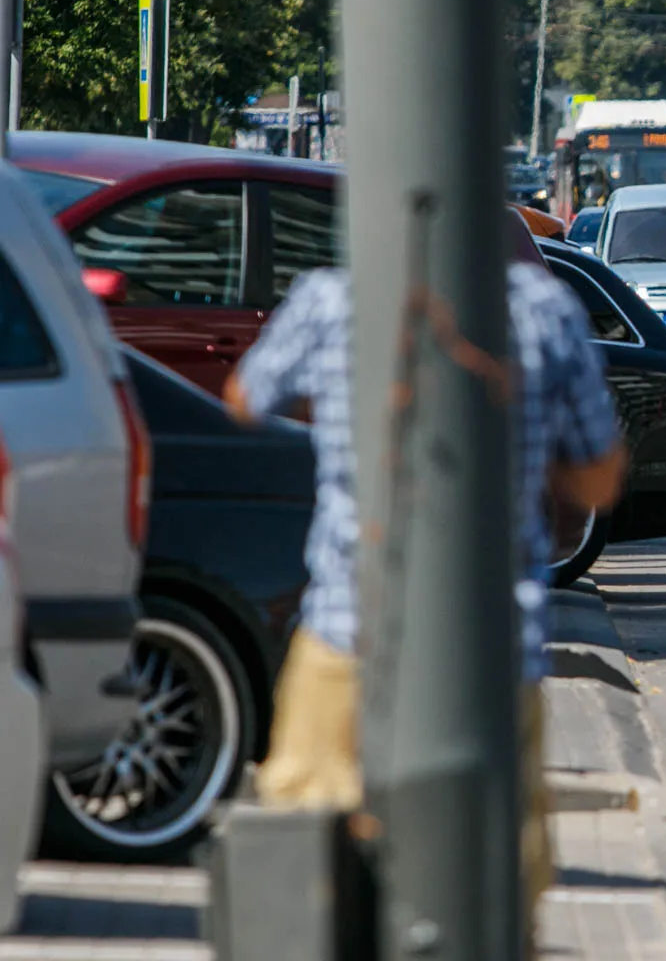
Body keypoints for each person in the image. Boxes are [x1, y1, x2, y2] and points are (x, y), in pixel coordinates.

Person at [222, 240, 628, 935]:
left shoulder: (329, 300)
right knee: (495, 882)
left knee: (301, 862)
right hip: (496, 651)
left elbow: (244, 400)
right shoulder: (544, 311)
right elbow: (600, 480)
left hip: (346, 633)